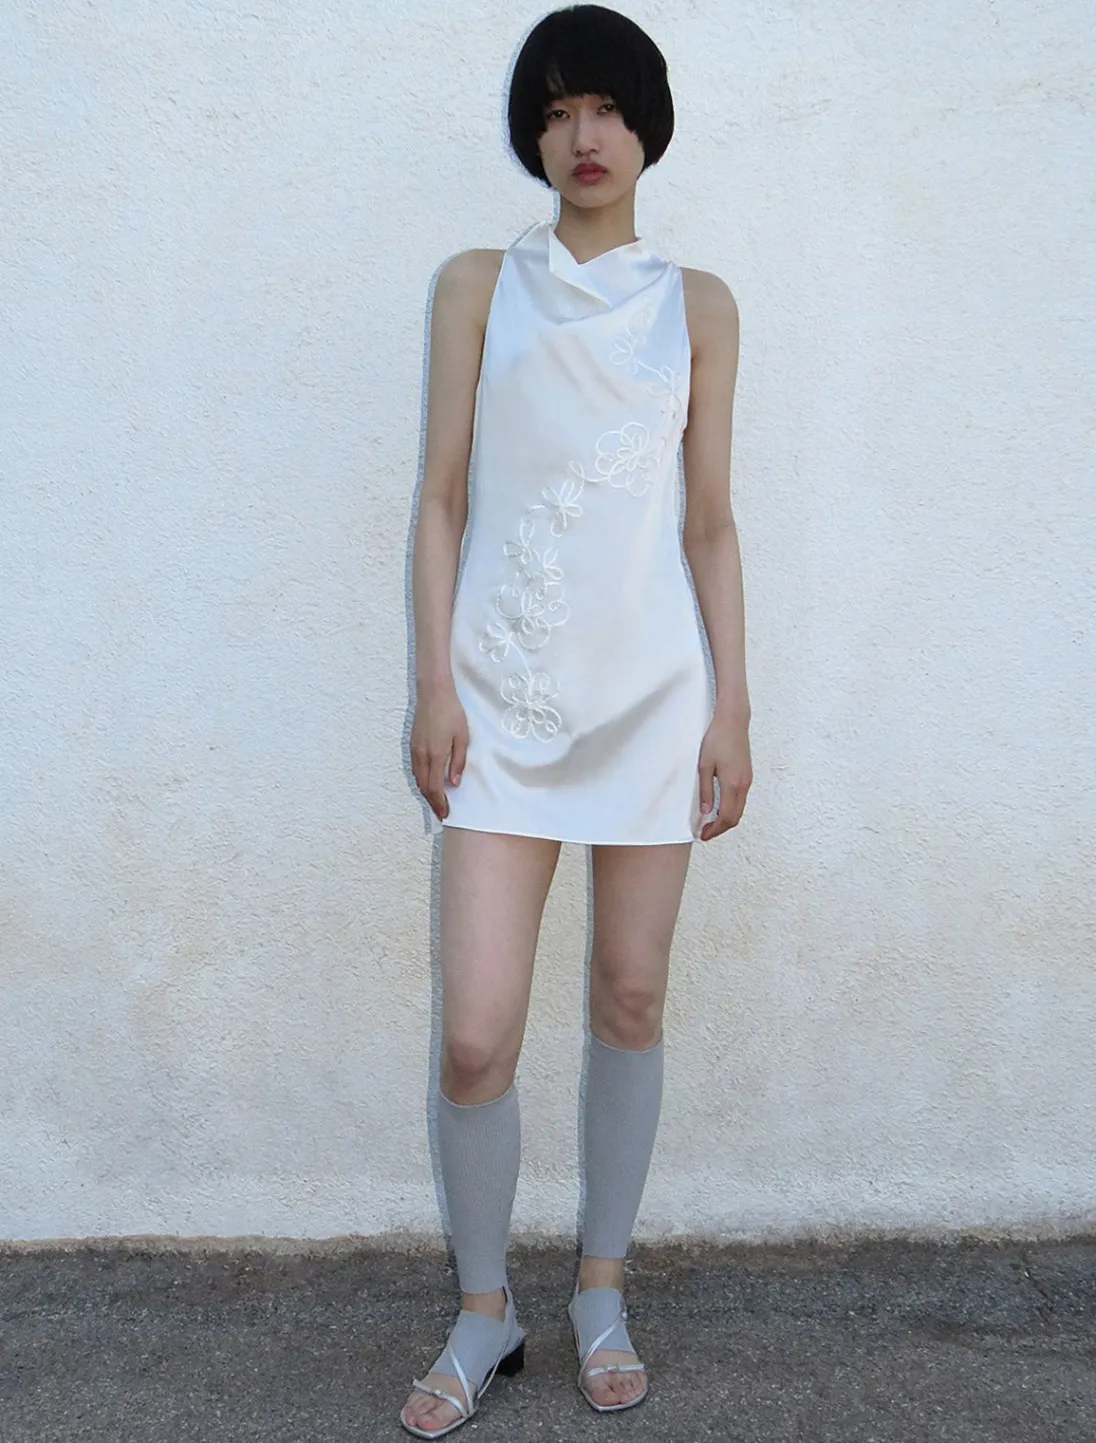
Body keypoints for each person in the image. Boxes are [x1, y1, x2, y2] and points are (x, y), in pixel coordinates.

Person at [403, 5, 750, 1436]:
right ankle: (486, 1308)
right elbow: (439, 495)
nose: (583, 136)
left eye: (604, 107)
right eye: (554, 112)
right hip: (500, 706)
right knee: (476, 1035)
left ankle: (601, 1286)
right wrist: (434, 684)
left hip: (655, 700)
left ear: (646, 125)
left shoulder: (700, 304)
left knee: (629, 997)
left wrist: (735, 706)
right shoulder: (478, 286)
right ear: (531, 136)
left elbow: (710, 521)